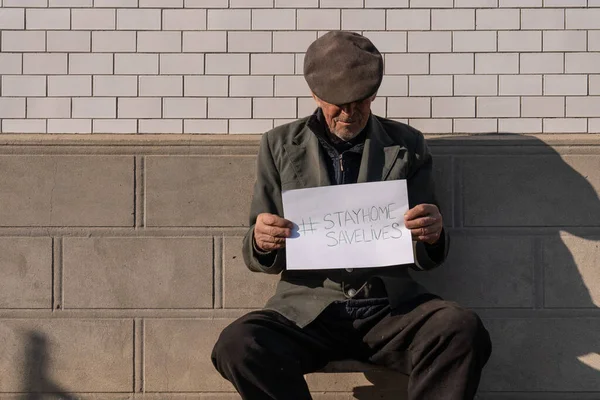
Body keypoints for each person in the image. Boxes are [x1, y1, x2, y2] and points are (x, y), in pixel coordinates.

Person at [212, 31, 492, 400]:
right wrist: (262, 241)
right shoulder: (279, 145)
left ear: (374, 93)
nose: (350, 112)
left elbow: (428, 254)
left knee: (461, 329)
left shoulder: (407, 144)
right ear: (315, 94)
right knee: (239, 344)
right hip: (307, 308)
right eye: (338, 103)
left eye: (361, 101)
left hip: (389, 307)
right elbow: (258, 249)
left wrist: (433, 234)